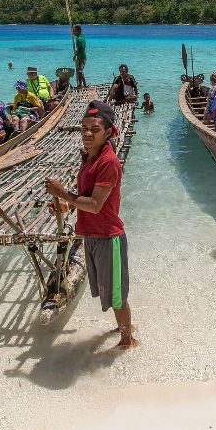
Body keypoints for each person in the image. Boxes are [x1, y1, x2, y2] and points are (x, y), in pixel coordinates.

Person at [45, 101, 137, 349]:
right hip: (92, 235)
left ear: (108, 132)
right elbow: (87, 195)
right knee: (110, 292)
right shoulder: (89, 157)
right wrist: (67, 206)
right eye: (84, 128)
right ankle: (123, 328)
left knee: (117, 297)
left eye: (94, 129)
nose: (87, 133)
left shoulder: (108, 162)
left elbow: (96, 205)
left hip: (108, 236)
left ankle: (128, 342)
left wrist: (64, 194)